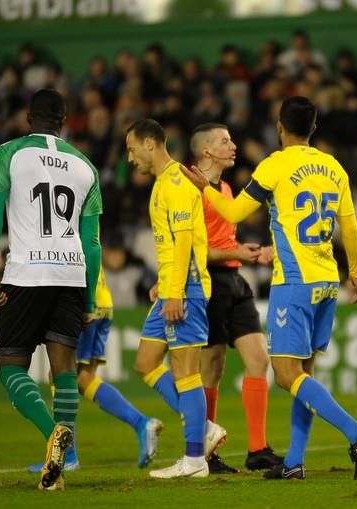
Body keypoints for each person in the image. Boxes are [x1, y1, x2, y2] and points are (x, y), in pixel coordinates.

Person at [182, 96, 357, 481]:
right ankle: (295, 462)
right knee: (303, 373)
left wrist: (204, 187)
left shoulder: (275, 165)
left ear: (279, 126)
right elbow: (351, 228)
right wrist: (355, 272)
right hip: (327, 279)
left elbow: (235, 211)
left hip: (294, 281)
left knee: (288, 375)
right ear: (314, 128)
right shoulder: (333, 166)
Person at [0, 88, 102, 490]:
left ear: (28, 118)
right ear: (64, 121)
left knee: (12, 368)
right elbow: (92, 243)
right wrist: (87, 298)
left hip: (27, 274)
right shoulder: (86, 166)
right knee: (65, 371)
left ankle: (52, 432)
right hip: (70, 275)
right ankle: (58, 468)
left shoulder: (7, 154)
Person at [125, 119, 224, 479]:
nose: (129, 157)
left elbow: (185, 241)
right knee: (146, 362)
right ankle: (206, 429)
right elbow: (172, 244)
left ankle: (195, 459)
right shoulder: (163, 184)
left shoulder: (178, 183)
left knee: (185, 373)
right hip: (171, 286)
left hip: (187, 289)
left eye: (131, 148)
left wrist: (177, 290)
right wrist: (162, 282)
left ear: (150, 144)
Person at [189, 123, 283, 473]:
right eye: (224, 141)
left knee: (259, 360)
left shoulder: (225, 188)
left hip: (234, 279)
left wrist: (244, 253)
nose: (233, 146)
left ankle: (257, 448)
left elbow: (222, 240)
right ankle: (205, 452)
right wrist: (236, 252)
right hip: (209, 282)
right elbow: (194, 250)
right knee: (210, 368)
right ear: (206, 152)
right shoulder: (190, 191)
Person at [27, 265, 163, 473]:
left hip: (83, 302)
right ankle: (142, 424)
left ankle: (66, 456)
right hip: (102, 300)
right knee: (84, 379)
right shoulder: (89, 230)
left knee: (59, 377)